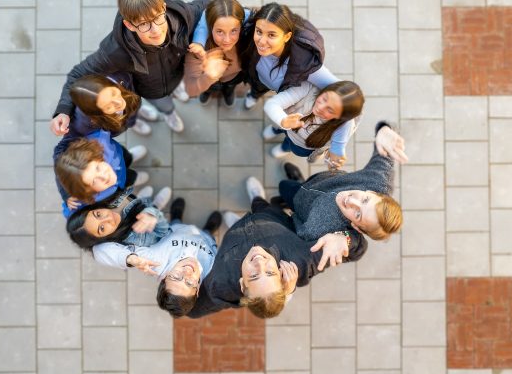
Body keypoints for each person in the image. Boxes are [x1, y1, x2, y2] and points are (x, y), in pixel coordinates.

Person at [50, 0, 208, 134]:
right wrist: (64, 111)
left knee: (176, 86)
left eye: (158, 17)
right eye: (144, 24)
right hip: (152, 90)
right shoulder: (115, 51)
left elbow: (209, 6)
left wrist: (200, 41)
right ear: (130, 25)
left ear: (163, 8)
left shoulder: (183, 16)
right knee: (165, 105)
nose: (156, 30)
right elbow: (78, 74)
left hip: (177, 73)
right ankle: (169, 114)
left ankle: (175, 90)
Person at [188, 180, 358, 319]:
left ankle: (237, 223)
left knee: (237, 228)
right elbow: (359, 247)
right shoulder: (302, 261)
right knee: (261, 205)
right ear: (280, 273)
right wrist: (343, 238)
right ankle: (257, 199)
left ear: (242, 283)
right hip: (270, 216)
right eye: (270, 273)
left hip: (237, 236)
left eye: (254, 276)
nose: (260, 263)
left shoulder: (220, 281)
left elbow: (197, 308)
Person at [236, 2, 353, 168]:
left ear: (287, 37)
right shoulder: (251, 33)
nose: (261, 41)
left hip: (288, 99)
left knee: (289, 123)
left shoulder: (306, 64)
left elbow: (347, 104)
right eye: (259, 31)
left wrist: (338, 147)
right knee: (258, 91)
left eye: (271, 35)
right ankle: (254, 97)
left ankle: (281, 136)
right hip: (259, 80)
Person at [90, 198, 223, 317]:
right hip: (206, 239)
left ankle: (176, 216)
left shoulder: (155, 260)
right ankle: (209, 229)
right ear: (197, 290)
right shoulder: (214, 272)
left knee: (175, 223)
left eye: (176, 277)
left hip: (176, 229)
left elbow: (98, 251)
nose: (186, 273)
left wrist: (129, 259)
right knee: (207, 234)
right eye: (189, 283)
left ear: (165, 277)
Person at [278, 121, 408, 243]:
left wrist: (293, 215)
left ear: (357, 227)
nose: (350, 201)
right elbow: (388, 146)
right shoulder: (379, 181)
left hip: (299, 202)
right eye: (365, 200)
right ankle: (301, 181)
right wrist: (385, 129)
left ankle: (286, 200)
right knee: (303, 184)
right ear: (372, 191)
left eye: (358, 214)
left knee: (284, 187)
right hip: (320, 180)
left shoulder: (319, 229)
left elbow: (301, 232)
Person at [263, 80, 364, 165]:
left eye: (330, 110)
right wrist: (282, 120)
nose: (320, 107)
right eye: (325, 98)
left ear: (340, 118)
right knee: (279, 126)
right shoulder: (310, 89)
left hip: (300, 145)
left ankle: (284, 148)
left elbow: (332, 150)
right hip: (284, 125)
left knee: (289, 145)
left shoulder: (341, 131)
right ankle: (275, 130)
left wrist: (331, 158)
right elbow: (274, 103)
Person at [53, 130, 148, 218]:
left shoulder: (100, 142)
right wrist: (67, 197)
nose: (104, 176)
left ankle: (130, 157)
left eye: (97, 168)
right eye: (94, 181)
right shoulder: (87, 201)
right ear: (87, 191)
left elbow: (58, 155)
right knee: (130, 177)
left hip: (118, 159)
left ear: (98, 158)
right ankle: (134, 178)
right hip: (120, 184)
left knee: (125, 156)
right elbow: (73, 217)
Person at [184, 0, 250, 106]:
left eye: (233, 30)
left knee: (230, 86)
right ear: (210, 28)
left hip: (234, 76)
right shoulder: (198, 47)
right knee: (209, 87)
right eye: (220, 32)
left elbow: (251, 17)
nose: (227, 40)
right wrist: (199, 42)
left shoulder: (246, 31)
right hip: (209, 78)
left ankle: (228, 92)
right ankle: (207, 92)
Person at [65, 186, 172, 252]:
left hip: (135, 201)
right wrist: (153, 215)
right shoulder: (135, 237)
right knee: (152, 209)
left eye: (98, 214)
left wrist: (68, 197)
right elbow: (162, 233)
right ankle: (157, 205)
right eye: (102, 228)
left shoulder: (102, 198)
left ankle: (141, 199)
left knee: (139, 200)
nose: (108, 218)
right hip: (153, 216)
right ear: (102, 239)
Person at [67, 73, 151, 136]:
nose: (119, 103)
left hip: (133, 102)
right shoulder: (86, 125)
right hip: (118, 123)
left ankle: (135, 115)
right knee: (127, 121)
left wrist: (134, 103)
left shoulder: (122, 77)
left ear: (112, 84)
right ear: (98, 113)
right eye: (108, 106)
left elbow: (133, 87)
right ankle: (132, 123)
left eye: (113, 93)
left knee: (134, 108)